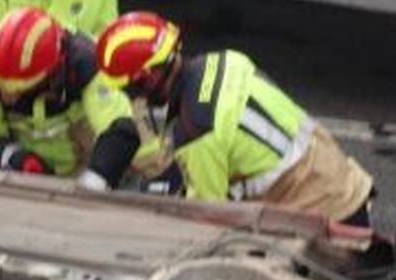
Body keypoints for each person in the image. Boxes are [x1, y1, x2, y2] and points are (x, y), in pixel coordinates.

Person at [94, 12, 375, 227]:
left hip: (325, 219)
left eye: (130, 89)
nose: (133, 98)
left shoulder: (196, 132)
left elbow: (208, 219)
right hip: (341, 180)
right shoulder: (224, 61)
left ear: (150, 78)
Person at [0, 7, 141, 191]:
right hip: (24, 174)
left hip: (86, 159)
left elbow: (119, 129)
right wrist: (16, 157)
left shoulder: (87, 63)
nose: (8, 97)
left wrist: (95, 179)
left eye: (18, 88)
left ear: (51, 72)